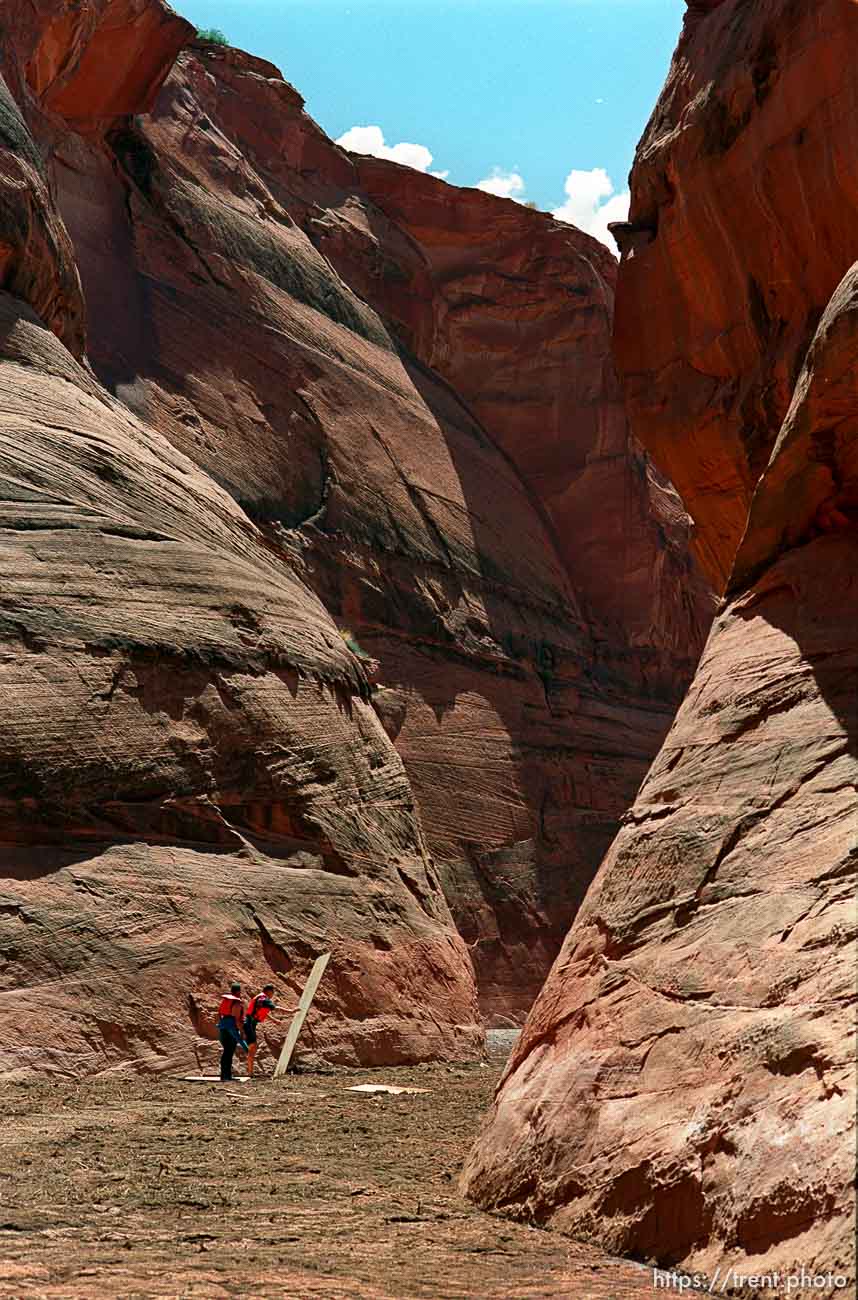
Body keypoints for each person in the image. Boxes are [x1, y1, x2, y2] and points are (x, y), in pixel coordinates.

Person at [244, 983, 298, 1077]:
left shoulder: (260, 999)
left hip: (250, 1023)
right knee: (253, 1047)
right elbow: (275, 1008)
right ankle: (250, 1072)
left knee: (252, 1047)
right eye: (273, 992)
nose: (273, 994)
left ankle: (250, 1071)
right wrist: (291, 1011)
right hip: (249, 1024)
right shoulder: (264, 999)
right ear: (269, 991)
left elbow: (263, 1012)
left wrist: (274, 1020)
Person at [217, 982, 248, 1082]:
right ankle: (226, 1076)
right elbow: (237, 1019)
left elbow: (220, 1013)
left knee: (226, 1051)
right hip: (231, 1027)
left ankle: (224, 1075)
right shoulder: (236, 1003)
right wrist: (242, 1031)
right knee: (229, 1052)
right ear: (239, 991)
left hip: (223, 1026)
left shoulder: (226, 1000)